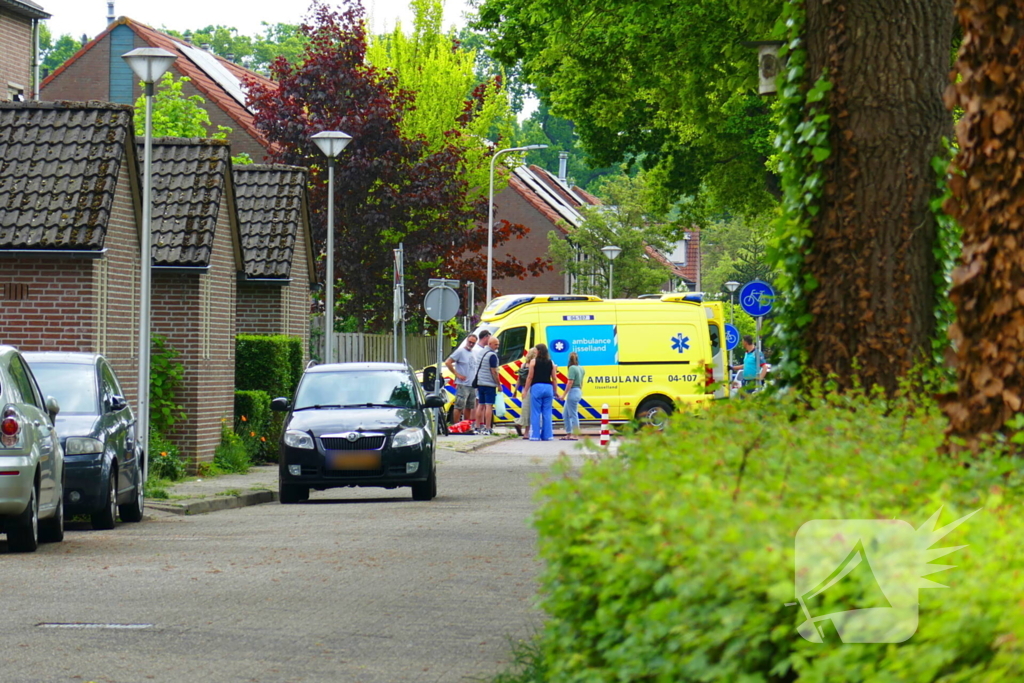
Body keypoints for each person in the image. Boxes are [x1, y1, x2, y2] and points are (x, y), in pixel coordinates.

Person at [524, 342, 559, 441]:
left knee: (535, 412)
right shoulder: (551, 362)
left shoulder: (533, 362)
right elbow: (554, 378)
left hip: (537, 387)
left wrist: (525, 390)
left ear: (538, 351)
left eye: (535, 350)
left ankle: (535, 435)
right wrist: (555, 391)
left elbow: (530, 377)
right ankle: (547, 435)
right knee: (547, 412)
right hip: (548, 388)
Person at [444, 334, 478, 427]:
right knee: (459, 405)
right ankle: (456, 425)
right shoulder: (460, 351)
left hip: (472, 384)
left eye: (473, 343)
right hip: (463, 384)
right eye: (469, 342)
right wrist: (457, 374)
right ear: (467, 341)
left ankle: (465, 426)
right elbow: (448, 362)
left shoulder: (474, 353)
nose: (471, 344)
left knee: (469, 406)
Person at [473, 336, 501, 435]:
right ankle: (488, 427)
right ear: (490, 344)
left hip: (480, 382)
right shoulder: (492, 355)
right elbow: (494, 371)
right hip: (489, 383)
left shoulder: (481, 352)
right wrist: (498, 384)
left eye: (498, 344)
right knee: (489, 406)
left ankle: (477, 427)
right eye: (495, 344)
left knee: (480, 405)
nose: (497, 346)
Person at [514, 347, 537, 439]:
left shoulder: (523, 365)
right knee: (529, 411)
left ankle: (520, 424)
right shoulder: (534, 365)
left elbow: (519, 379)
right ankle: (526, 431)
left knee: (525, 409)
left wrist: (515, 390)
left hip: (524, 389)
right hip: (532, 389)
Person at [560, 351, 584, 440]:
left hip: (573, 392)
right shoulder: (581, 368)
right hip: (578, 391)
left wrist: (563, 395)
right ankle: (569, 433)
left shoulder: (572, 368)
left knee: (573, 414)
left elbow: (570, 382)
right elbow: (582, 382)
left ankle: (575, 434)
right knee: (565, 413)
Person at [472, 330, 492, 429]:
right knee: (480, 404)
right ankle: (478, 424)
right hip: (480, 379)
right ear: (485, 337)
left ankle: (481, 424)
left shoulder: (480, 349)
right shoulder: (477, 350)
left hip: (479, 379)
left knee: (481, 404)